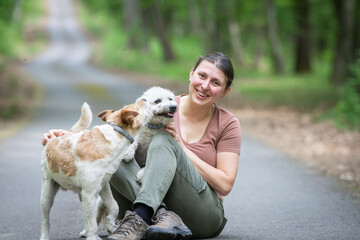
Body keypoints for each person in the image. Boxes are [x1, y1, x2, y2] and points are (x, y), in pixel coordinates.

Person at [41, 52, 241, 240]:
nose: (205, 86)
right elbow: (112, 133)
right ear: (191, 74)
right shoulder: (156, 104)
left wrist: (181, 148)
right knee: (117, 150)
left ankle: (144, 215)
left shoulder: (227, 123)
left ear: (225, 91)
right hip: (147, 209)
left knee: (163, 140)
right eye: (202, 76)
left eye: (216, 83)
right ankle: (151, 216)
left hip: (200, 214)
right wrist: (67, 138)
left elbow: (225, 184)